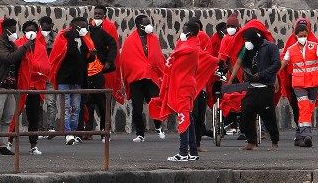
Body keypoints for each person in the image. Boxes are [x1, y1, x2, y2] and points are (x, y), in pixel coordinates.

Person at [160, 20, 220, 162]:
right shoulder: (195, 46)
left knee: (183, 118)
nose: (182, 32)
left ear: (189, 32)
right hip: (189, 85)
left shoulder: (189, 48)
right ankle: (193, 151)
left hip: (183, 86)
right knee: (189, 118)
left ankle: (183, 152)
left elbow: (173, 59)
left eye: (184, 29)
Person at [225, 20, 280, 150]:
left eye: (247, 39)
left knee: (268, 116)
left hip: (266, 88)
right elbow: (239, 63)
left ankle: (274, 142)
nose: (246, 42)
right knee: (246, 114)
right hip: (252, 88)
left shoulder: (270, 47)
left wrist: (263, 75)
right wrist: (231, 80)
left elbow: (276, 64)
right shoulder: (247, 49)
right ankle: (251, 141)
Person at [0, 18, 32, 155]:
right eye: (13, 29)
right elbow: (9, 58)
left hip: (10, 86)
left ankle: (3, 146)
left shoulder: (11, 44)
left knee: (7, 118)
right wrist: (25, 46)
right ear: (6, 30)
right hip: (0, 85)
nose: (15, 32)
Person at [281, 22, 318, 147]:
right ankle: (306, 135)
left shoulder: (314, 46)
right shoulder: (291, 49)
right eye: (300, 35)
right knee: (304, 107)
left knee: (309, 109)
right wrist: (274, 74)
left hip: (313, 83)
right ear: (296, 35)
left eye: (305, 35)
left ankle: (299, 134)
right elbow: (283, 64)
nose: (303, 37)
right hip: (298, 84)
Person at [117, 14, 167, 143]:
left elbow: (158, 57)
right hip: (136, 79)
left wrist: (158, 70)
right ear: (140, 25)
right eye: (147, 23)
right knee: (137, 107)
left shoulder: (154, 39)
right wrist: (138, 69)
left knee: (155, 103)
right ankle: (140, 133)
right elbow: (126, 60)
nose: (150, 25)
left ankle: (158, 126)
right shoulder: (130, 40)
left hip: (151, 78)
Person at [50, 16, 91, 144]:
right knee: (66, 107)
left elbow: (84, 60)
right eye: (82, 26)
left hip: (78, 79)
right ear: (75, 27)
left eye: (86, 26)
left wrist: (92, 56)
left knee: (76, 108)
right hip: (65, 79)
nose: (85, 29)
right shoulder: (64, 38)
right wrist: (73, 37)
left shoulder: (85, 40)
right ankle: (68, 133)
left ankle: (73, 132)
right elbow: (67, 54)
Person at [15, 20, 52, 154]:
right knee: (14, 114)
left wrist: (34, 70)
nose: (31, 32)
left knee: (33, 117)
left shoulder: (41, 47)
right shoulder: (18, 44)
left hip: (35, 87)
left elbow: (46, 67)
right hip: (20, 85)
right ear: (24, 31)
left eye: (34, 30)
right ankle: (7, 142)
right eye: (28, 29)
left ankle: (33, 145)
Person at [81, 12, 118, 138]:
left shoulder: (98, 32)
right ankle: (87, 131)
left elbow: (113, 43)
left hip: (97, 72)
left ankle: (104, 131)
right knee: (86, 103)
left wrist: (109, 61)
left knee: (101, 102)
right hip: (84, 72)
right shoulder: (77, 36)